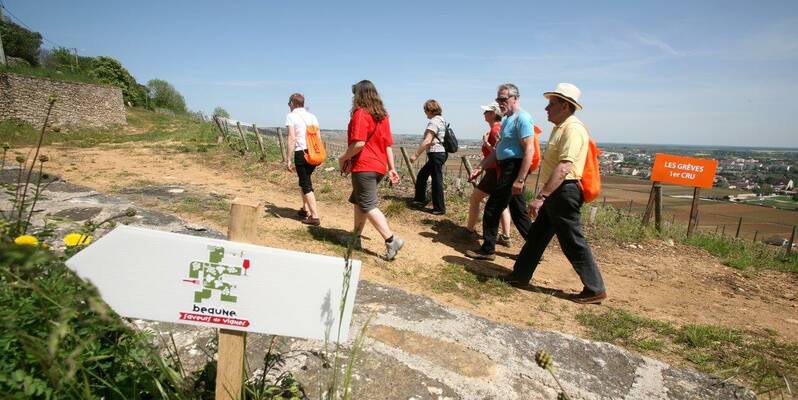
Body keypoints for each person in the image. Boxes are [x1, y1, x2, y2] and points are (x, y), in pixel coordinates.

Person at [503, 83, 607, 304]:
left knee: (572, 240)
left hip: (565, 190)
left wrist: (542, 197)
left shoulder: (573, 129)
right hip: (558, 192)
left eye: (551, 104)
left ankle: (595, 288)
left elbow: (565, 167)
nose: (546, 108)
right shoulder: (561, 127)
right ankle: (520, 276)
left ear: (566, 106)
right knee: (537, 236)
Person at [465, 83, 534, 260]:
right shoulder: (506, 120)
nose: (500, 102)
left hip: (513, 168)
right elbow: (497, 150)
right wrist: (480, 167)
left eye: (503, 99)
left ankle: (488, 249)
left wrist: (520, 179)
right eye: (498, 99)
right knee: (518, 212)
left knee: (492, 208)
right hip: (506, 167)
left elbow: (529, 150)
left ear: (515, 98)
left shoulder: (523, 118)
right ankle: (536, 249)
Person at [338, 80, 404, 260]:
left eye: (354, 94)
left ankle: (391, 240)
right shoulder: (382, 116)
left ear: (359, 95)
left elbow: (359, 143)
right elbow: (388, 145)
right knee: (359, 202)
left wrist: (343, 157)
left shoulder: (361, 114)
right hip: (379, 167)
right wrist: (391, 168)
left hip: (364, 166)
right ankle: (355, 238)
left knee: (367, 205)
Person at [465, 102, 512, 246]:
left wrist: (486, 144)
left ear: (493, 114)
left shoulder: (494, 130)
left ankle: (469, 230)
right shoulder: (499, 128)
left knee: (475, 199)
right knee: (502, 204)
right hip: (500, 173)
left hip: (493, 172)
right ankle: (505, 237)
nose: (484, 114)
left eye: (486, 112)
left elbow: (497, 154)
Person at [285, 92, 321, 226]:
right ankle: (305, 209)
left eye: (289, 104)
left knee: (306, 185)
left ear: (293, 103)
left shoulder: (291, 116)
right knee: (304, 180)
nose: (289, 106)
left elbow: (292, 138)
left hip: (301, 153)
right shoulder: (312, 116)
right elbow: (318, 136)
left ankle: (315, 216)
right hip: (313, 153)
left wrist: (288, 158)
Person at [410, 99, 448, 215]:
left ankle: (439, 208)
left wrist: (415, 155)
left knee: (436, 181)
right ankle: (419, 200)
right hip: (440, 153)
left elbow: (427, 140)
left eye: (425, 110)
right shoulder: (442, 120)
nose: (425, 113)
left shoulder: (434, 122)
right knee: (422, 175)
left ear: (430, 110)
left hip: (436, 154)